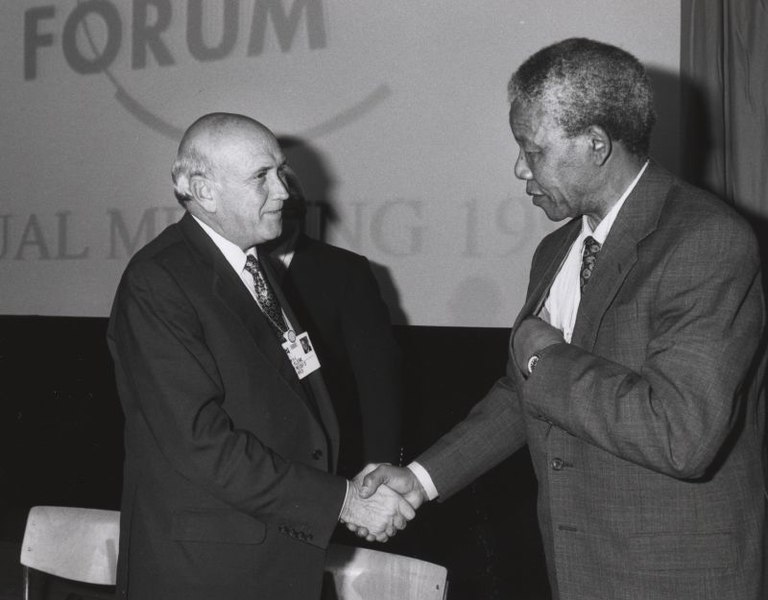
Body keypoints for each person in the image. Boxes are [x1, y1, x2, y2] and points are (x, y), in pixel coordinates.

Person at [360, 38, 767, 599]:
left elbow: (681, 435)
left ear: (596, 144)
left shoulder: (706, 240)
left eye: (532, 150)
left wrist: (544, 354)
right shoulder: (557, 250)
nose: (518, 168)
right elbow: (526, 390)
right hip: (580, 569)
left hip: (677, 576)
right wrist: (421, 480)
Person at [107, 112, 414, 600]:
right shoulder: (159, 281)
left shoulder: (253, 266)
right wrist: (344, 503)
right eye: (261, 177)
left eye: (281, 171)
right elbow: (201, 443)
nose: (285, 193)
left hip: (271, 551)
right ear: (204, 191)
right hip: (208, 570)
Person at [267, 167, 404, 478]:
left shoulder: (345, 272)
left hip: (329, 462)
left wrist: (380, 466)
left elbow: (378, 380)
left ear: (299, 211)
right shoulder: (228, 273)